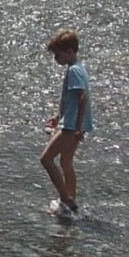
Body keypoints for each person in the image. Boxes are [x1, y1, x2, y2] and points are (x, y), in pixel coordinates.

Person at [40, 29, 92, 217]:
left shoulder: (74, 71)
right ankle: (70, 203)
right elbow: (72, 101)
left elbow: (83, 98)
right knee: (66, 162)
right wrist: (58, 116)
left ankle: (65, 199)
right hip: (71, 122)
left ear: (70, 51)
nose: (56, 59)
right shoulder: (79, 67)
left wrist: (77, 127)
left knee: (46, 159)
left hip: (71, 126)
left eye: (58, 54)